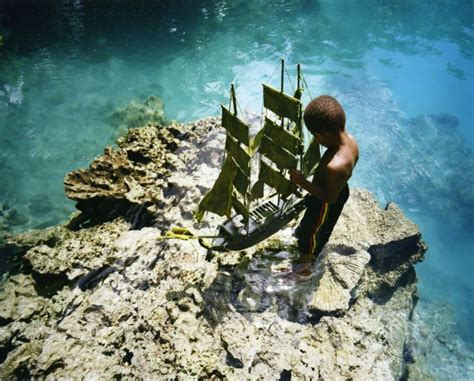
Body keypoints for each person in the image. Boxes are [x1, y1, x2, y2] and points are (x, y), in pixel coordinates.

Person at [289, 95, 359, 271]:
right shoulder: (350, 139)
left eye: (314, 136)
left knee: (311, 234)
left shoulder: (335, 167)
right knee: (309, 225)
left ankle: (305, 267)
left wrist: (302, 182)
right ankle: (307, 241)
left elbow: (329, 198)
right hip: (335, 188)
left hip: (327, 201)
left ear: (321, 135)